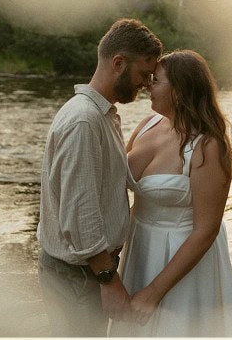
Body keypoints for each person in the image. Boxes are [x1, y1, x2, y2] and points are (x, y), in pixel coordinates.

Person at [36, 18, 163, 336]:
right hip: (80, 276)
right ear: (118, 63)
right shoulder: (84, 121)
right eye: (143, 74)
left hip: (80, 272)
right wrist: (108, 280)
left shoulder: (102, 115)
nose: (147, 84)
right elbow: (81, 214)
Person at [109, 49, 232, 336]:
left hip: (181, 262)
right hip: (141, 248)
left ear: (180, 90)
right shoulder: (149, 124)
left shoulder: (208, 146)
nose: (147, 85)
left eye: (155, 80)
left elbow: (206, 230)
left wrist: (154, 292)